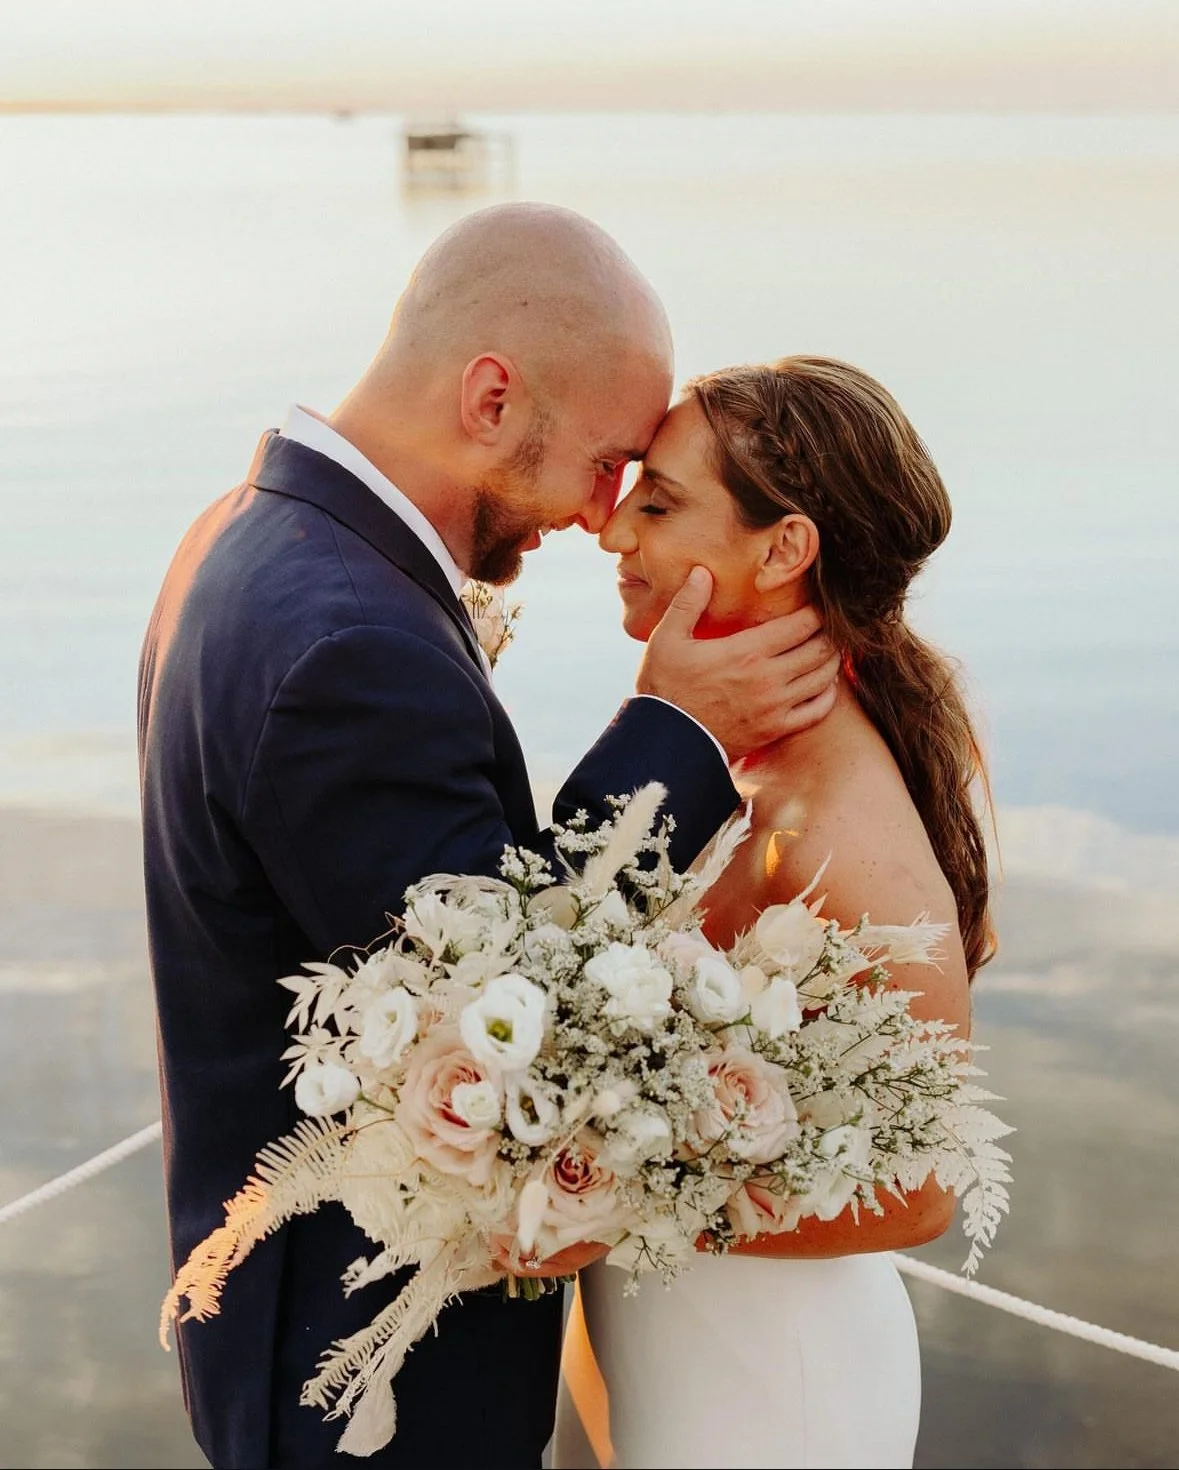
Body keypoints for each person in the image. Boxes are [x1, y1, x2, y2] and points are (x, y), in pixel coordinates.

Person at [137, 206, 840, 1470]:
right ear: (492, 396)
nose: (603, 518)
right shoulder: (344, 644)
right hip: (363, 1382)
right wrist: (676, 729)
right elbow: (505, 1014)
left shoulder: (244, 538)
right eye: (607, 461)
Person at [554, 355, 994, 1470]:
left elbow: (918, 1194)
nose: (615, 536)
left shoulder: (843, 836)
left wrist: (597, 1205)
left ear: (784, 547)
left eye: (658, 505)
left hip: (776, 1390)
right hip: (669, 1345)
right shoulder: (732, 772)